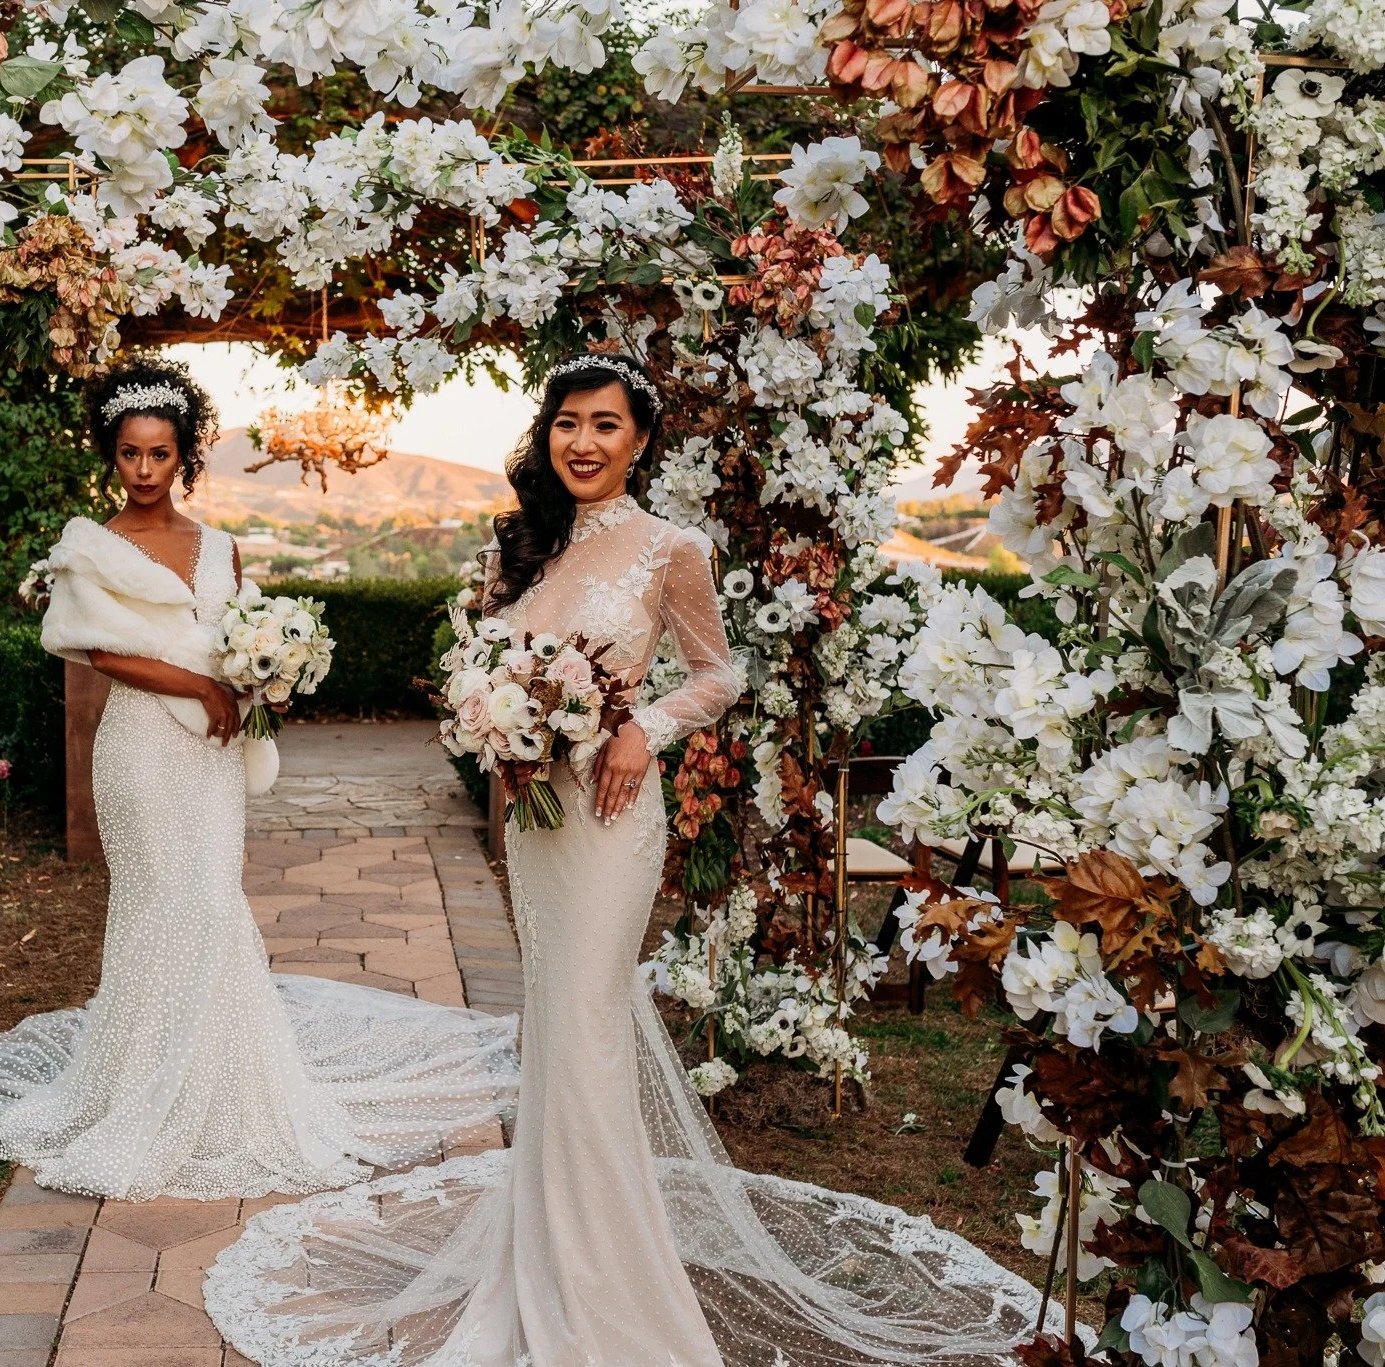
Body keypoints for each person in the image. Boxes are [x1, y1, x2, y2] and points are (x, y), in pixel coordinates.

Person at [203, 354, 1046, 1365]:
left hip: (608, 814)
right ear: (545, 433)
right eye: (567, 422)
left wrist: (642, 726)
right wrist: (495, 742)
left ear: (640, 440)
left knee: (587, 1022)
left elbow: (716, 673)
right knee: (553, 1022)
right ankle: (551, 1249)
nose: (583, 442)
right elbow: (479, 667)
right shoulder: (514, 548)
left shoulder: (669, 549)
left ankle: (604, 1287)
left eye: (605, 424)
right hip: (534, 816)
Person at [0, 355, 519, 1202]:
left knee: (212, 901)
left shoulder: (222, 546)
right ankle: (144, 1093)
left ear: (187, 457)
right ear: (110, 452)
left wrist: (261, 678)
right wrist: (201, 687)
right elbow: (102, 651)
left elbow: (239, 636)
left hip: (212, 757)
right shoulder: (91, 546)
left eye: (161, 454)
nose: (145, 470)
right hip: (140, 750)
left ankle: (224, 1092)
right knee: (165, 903)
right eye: (129, 454)